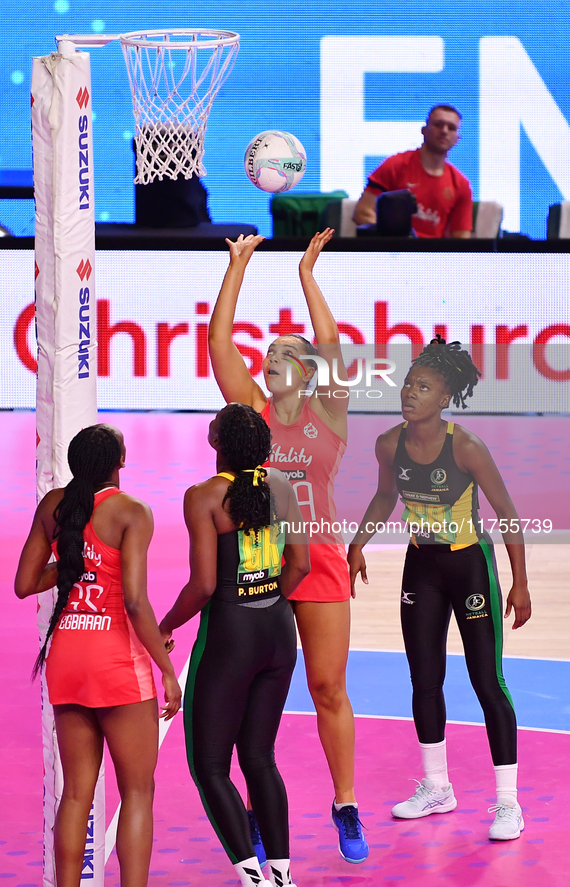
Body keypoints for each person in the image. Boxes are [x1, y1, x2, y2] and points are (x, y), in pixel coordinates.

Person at [207, 230, 369, 865]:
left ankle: (345, 803)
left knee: (329, 686)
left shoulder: (329, 411)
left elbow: (329, 344)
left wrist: (307, 273)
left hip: (321, 558)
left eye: (282, 354)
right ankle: (252, 808)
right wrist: (238, 267)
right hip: (262, 561)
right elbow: (220, 343)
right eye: (267, 353)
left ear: (305, 370)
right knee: (252, 696)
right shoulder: (253, 413)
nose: (270, 358)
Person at [347, 338, 532, 841]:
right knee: (424, 681)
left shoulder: (466, 446)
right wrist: (357, 544)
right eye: (408, 382)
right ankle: (436, 787)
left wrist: (519, 583)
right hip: (420, 568)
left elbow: (508, 513)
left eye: (423, 386)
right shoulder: (389, 443)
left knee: (485, 681)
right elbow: (385, 496)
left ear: (444, 397)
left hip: (470, 566)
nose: (410, 392)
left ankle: (508, 803)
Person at [14, 424, 181, 887]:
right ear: (119, 462)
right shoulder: (131, 511)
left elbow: (24, 583)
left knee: (75, 797)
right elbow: (134, 601)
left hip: (66, 658)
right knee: (137, 793)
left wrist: (72, 562)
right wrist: (166, 669)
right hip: (117, 665)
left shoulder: (53, 507)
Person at [159, 404, 309, 887]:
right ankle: (282, 875)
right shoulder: (284, 488)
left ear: (215, 441)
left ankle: (251, 877)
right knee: (260, 757)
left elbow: (203, 585)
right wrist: (267, 599)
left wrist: (165, 624)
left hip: (229, 638)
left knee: (209, 765)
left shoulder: (203, 496)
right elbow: (300, 566)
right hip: (279, 634)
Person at [352, 104, 473, 238]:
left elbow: (461, 237)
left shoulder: (461, 184)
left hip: (433, 256)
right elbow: (362, 212)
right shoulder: (395, 165)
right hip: (392, 253)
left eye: (451, 128)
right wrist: (393, 240)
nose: (444, 131)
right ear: (424, 130)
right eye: (438, 125)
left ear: (457, 138)